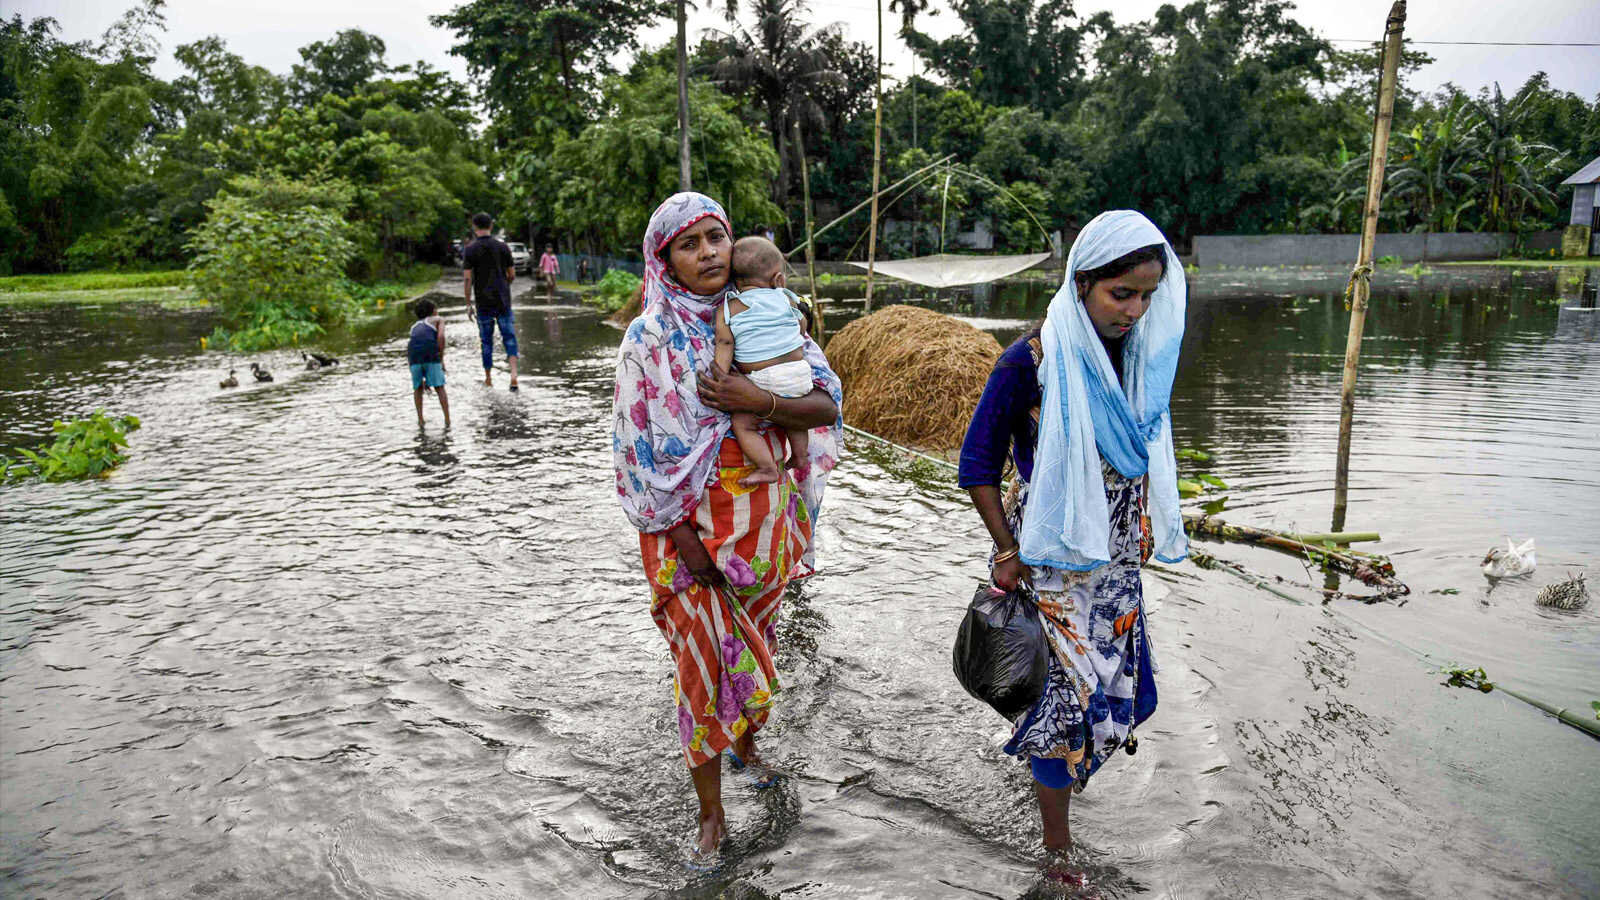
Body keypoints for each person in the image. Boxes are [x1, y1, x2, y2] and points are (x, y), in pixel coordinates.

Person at [612, 192, 843, 858]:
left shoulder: (766, 313)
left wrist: (758, 400)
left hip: (765, 537)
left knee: (754, 649)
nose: (709, 252)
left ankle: (747, 748)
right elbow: (637, 453)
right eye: (690, 244)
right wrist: (689, 548)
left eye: (717, 237)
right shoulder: (650, 338)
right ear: (666, 260)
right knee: (701, 671)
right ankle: (710, 815)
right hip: (691, 538)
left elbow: (827, 403)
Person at [956, 210, 1188, 859]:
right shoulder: (1030, 361)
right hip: (1049, 556)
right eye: (1122, 294)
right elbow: (975, 466)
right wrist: (1007, 550)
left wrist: (1138, 515)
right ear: (1082, 281)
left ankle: (1051, 776)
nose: (1135, 310)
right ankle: (1057, 855)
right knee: (1061, 705)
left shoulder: (1137, 359)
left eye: (1146, 295)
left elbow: (1135, 448)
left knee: (1118, 688)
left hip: (1112, 561)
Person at [714, 236, 812, 486]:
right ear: (778, 279)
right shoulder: (787, 297)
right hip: (800, 372)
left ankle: (767, 467)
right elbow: (801, 325)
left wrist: (721, 375)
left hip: (763, 379)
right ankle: (800, 456)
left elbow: (725, 344)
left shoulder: (730, 307)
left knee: (743, 424)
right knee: (794, 416)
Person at [461, 212, 519, 391]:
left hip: (483, 302)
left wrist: (468, 303)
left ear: (474, 227)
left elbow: (467, 279)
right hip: (503, 301)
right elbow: (512, 274)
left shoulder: (470, 250)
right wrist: (504, 285)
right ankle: (514, 376)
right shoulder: (502, 247)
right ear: (491, 226)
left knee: (486, 341)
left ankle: (488, 379)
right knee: (509, 338)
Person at [408, 298, 451, 428]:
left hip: (414, 358)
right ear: (433, 311)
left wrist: (411, 366)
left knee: (418, 388)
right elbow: (441, 337)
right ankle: (447, 420)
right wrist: (441, 358)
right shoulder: (438, 319)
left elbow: (411, 345)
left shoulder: (413, 327)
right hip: (431, 354)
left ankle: (421, 420)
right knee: (439, 387)